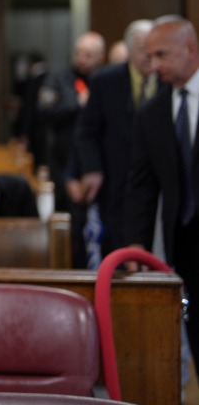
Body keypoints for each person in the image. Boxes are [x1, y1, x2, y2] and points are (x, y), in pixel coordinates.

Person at [124, 15, 199, 375]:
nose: (153, 66)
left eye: (162, 55)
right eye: (149, 56)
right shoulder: (151, 112)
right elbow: (141, 184)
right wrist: (137, 242)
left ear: (191, 49)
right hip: (182, 246)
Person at [76, 19, 166, 263]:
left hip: (159, 185)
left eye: (153, 49)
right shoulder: (105, 81)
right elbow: (86, 130)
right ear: (128, 50)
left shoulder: (167, 80)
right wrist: (92, 168)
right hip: (116, 181)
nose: (149, 56)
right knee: (117, 254)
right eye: (141, 49)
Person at [37, 31, 106, 268]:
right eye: (79, 53)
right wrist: (77, 103)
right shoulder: (59, 78)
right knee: (69, 224)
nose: (82, 59)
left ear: (100, 57)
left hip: (98, 168)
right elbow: (44, 110)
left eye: (89, 55)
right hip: (62, 162)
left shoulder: (105, 81)